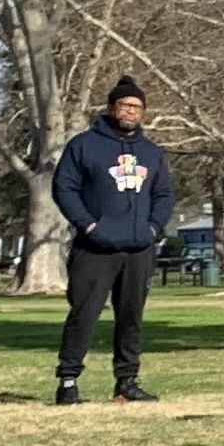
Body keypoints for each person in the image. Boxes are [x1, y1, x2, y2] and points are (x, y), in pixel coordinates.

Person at [48, 77, 174, 407]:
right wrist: (89, 225)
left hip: (138, 249)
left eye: (137, 107)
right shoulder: (84, 145)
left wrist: (152, 229)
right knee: (83, 315)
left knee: (131, 317)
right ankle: (68, 381)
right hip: (95, 248)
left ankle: (127, 381)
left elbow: (163, 194)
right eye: (125, 105)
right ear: (112, 108)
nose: (130, 111)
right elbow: (64, 188)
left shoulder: (150, 152)